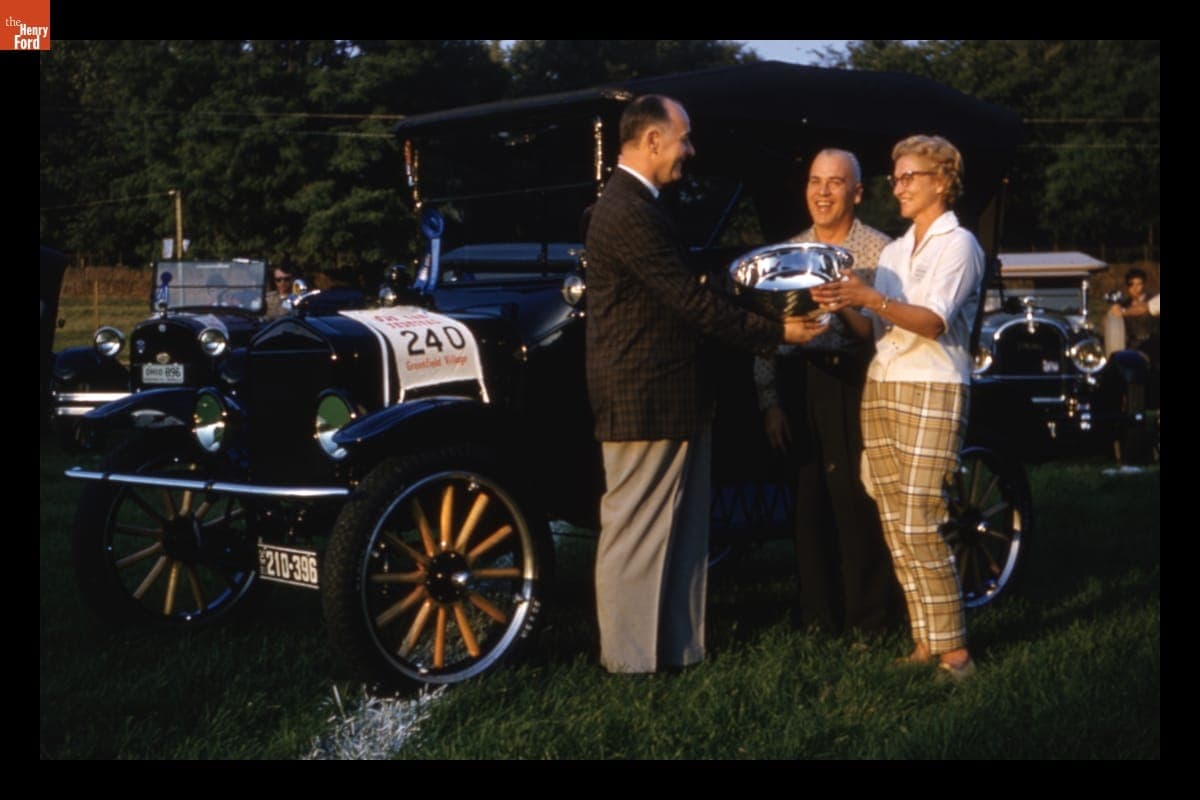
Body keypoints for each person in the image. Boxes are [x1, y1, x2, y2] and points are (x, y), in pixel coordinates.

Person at [585, 94, 828, 674]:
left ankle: (676, 652)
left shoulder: (643, 205)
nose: (689, 150)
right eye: (684, 138)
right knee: (638, 534)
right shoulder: (626, 210)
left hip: (672, 397)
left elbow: (692, 292)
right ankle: (629, 665)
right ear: (651, 141)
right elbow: (690, 302)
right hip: (646, 399)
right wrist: (778, 332)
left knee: (682, 533)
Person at [811, 134, 983, 680]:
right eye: (895, 175)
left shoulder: (960, 246)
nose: (899, 185)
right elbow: (874, 328)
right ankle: (923, 641)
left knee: (922, 520)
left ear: (942, 182)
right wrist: (844, 302)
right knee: (893, 521)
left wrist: (870, 297)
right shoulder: (893, 250)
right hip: (883, 385)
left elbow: (932, 321)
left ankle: (956, 653)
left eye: (910, 176)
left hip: (933, 387)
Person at [753, 149, 901, 638]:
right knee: (808, 506)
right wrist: (770, 401)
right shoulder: (787, 252)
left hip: (856, 381)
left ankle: (870, 623)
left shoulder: (883, 252)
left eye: (835, 183)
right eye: (815, 181)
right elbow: (768, 335)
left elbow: (887, 333)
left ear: (856, 193)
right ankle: (817, 621)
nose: (822, 192)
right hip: (800, 385)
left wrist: (847, 302)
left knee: (857, 503)